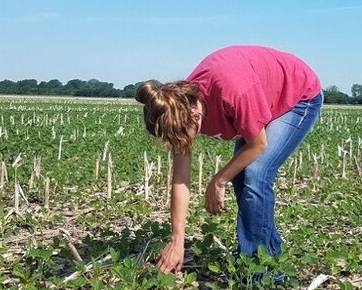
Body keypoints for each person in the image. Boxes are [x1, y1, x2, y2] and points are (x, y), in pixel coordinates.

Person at [136, 45, 323, 275]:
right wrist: (177, 240)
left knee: (255, 174)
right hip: (260, 95)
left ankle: (258, 272)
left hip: (298, 95)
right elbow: (180, 180)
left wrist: (219, 180)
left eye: (182, 137)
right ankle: (268, 255)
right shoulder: (177, 106)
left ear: (195, 116)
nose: (181, 144)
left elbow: (258, 145)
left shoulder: (233, 93)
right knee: (242, 176)